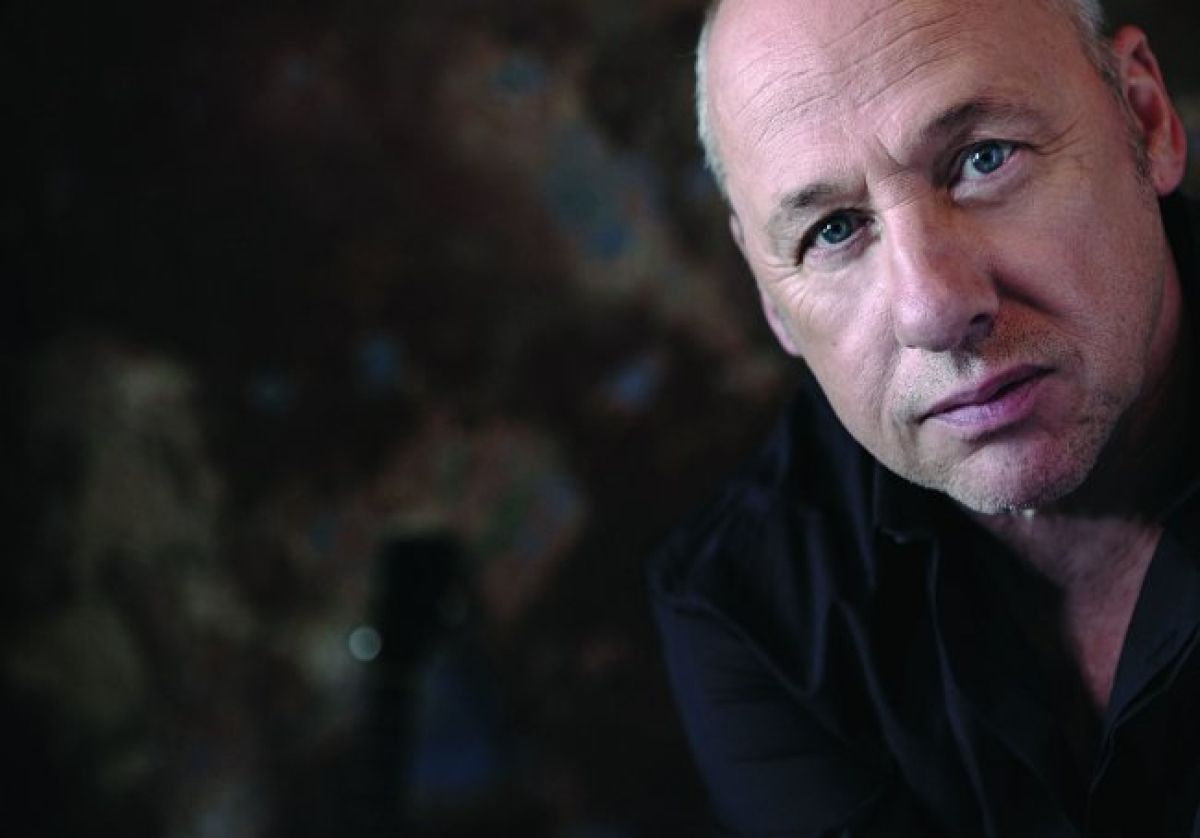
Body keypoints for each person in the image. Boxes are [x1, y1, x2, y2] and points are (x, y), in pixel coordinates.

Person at [648, 0, 1200, 834]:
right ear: (769, 296)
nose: (933, 309)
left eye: (984, 159)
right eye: (834, 230)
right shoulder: (752, 615)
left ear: (1146, 120)